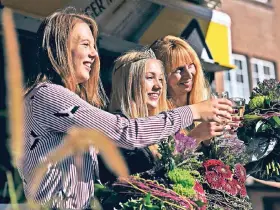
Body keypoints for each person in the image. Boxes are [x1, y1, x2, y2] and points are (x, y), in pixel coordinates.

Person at [18, 9, 233, 209]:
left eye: (94, 46)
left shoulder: (51, 98)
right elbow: (126, 132)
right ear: (60, 47)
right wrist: (193, 112)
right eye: (85, 44)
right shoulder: (47, 95)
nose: (94, 54)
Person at [150, 35, 240, 145]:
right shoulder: (155, 117)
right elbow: (159, 160)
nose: (188, 75)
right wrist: (195, 137)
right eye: (179, 69)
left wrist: (218, 138)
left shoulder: (208, 102)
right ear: (161, 76)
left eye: (191, 65)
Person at [99, 49, 167, 182]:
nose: (158, 86)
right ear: (128, 82)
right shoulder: (117, 130)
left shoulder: (158, 132)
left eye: (160, 79)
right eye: (149, 77)